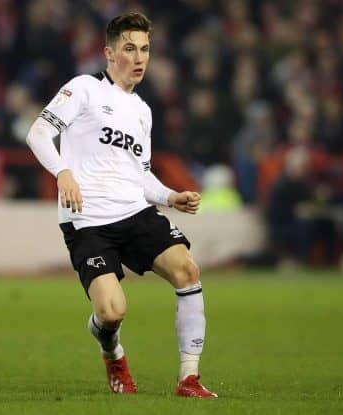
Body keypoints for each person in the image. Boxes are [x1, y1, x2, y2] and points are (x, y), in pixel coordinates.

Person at [25, 12, 216, 398]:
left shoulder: (142, 111)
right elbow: (39, 132)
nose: (139, 57)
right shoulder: (84, 89)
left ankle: (189, 378)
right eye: (130, 48)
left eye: (145, 49)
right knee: (112, 312)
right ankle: (111, 350)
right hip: (88, 222)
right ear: (109, 53)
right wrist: (62, 172)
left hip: (134, 212)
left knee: (187, 270)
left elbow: (140, 173)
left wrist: (170, 196)